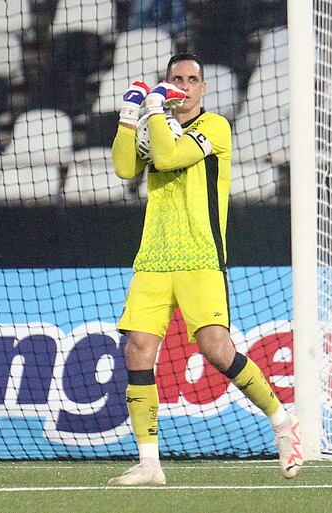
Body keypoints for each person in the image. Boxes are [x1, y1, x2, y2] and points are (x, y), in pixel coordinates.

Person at [109, 53, 302, 485]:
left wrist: (154, 109)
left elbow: (171, 157)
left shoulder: (215, 127)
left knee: (216, 348)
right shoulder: (154, 125)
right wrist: (128, 117)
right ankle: (149, 463)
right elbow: (125, 168)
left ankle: (282, 423)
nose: (183, 84)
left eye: (191, 79)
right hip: (155, 257)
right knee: (138, 349)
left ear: (203, 88)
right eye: (175, 78)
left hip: (200, 256)